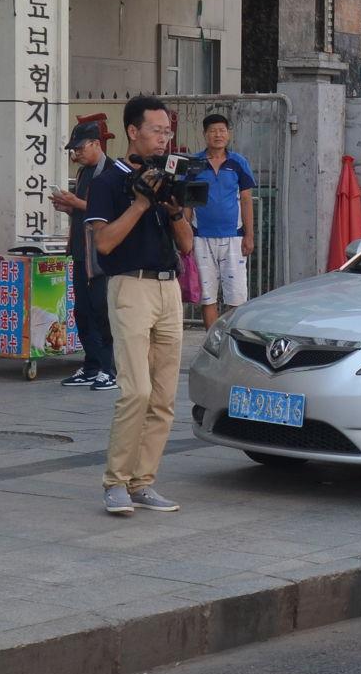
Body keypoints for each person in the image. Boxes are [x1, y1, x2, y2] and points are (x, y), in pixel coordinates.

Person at [84, 96, 196, 516]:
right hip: (130, 286)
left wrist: (173, 211)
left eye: (168, 131)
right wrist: (141, 202)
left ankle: (142, 482)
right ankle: (115, 482)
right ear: (133, 131)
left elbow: (186, 245)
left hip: (169, 288)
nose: (164, 139)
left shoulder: (170, 176)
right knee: (136, 391)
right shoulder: (109, 180)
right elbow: (105, 243)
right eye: (156, 131)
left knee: (164, 396)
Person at [50, 118, 116, 390]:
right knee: (82, 311)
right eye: (73, 149)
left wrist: (77, 202)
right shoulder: (82, 173)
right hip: (79, 250)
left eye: (79, 148)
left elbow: (111, 211)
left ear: (95, 144)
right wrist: (69, 207)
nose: (75, 154)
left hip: (100, 255)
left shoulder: (111, 171)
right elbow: (86, 209)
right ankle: (91, 365)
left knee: (102, 310)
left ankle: (110, 369)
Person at [190, 112, 257, 330]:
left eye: (221, 130)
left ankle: (228, 343)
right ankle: (212, 343)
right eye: (212, 131)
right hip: (201, 238)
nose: (217, 135)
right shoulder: (194, 163)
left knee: (236, 297)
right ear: (204, 135)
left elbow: (246, 200)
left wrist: (249, 235)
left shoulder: (239, 163)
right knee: (207, 297)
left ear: (228, 134)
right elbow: (186, 204)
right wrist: (185, 238)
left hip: (234, 238)